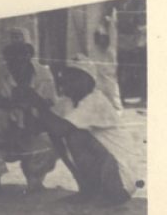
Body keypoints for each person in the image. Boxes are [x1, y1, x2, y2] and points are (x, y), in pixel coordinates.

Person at [17, 65, 138, 207]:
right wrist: (26, 107)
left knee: (75, 136)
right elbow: (41, 127)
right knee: (57, 134)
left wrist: (38, 103)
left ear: (87, 81)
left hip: (121, 180)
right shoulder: (68, 102)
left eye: (72, 78)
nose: (65, 83)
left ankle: (100, 194)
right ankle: (87, 190)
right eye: (64, 79)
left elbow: (60, 128)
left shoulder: (95, 101)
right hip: (110, 171)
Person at [0, 41, 58, 194]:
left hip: (32, 125)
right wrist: (13, 103)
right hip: (5, 124)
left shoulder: (43, 73)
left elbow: (51, 107)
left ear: (30, 55)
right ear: (6, 57)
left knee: (51, 138)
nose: (18, 58)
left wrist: (32, 103)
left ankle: (35, 180)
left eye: (23, 53)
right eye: (13, 54)